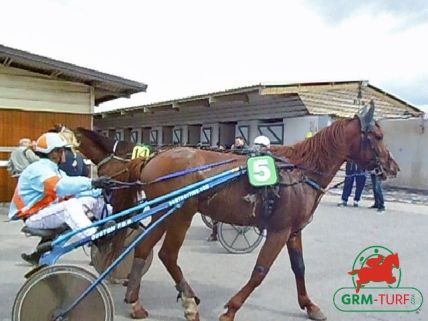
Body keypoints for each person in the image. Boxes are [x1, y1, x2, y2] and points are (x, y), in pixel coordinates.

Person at [9, 132, 112, 264]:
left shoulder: (54, 169)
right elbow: (61, 187)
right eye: (62, 150)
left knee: (91, 200)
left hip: (48, 212)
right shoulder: (37, 169)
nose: (65, 153)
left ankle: (114, 218)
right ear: (53, 153)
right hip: (34, 216)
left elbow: (75, 188)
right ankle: (96, 237)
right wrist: (92, 183)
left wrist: (99, 189)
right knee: (70, 205)